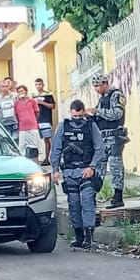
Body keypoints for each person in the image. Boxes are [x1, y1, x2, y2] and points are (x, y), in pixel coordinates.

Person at [51, 100, 104, 251]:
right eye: (75, 116)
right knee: (73, 204)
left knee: (87, 201)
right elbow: (56, 149)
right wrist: (55, 170)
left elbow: (99, 148)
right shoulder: (63, 126)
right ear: (70, 113)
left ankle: (89, 236)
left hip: (86, 170)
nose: (77, 120)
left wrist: (92, 167)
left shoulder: (90, 126)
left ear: (84, 113)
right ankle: (79, 235)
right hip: (69, 171)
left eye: (80, 116)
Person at [87, 73, 128, 209]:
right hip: (103, 137)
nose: (96, 89)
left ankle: (118, 196)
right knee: (99, 166)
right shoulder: (102, 99)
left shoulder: (116, 95)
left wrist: (98, 112)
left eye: (98, 86)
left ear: (105, 83)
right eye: (95, 86)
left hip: (115, 136)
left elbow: (117, 114)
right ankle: (92, 194)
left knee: (116, 166)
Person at [13, 84, 43, 160]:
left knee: (34, 147)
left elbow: (37, 112)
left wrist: (33, 120)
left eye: (22, 91)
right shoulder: (16, 103)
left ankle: (36, 163)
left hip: (32, 127)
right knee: (22, 148)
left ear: (26, 91)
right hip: (22, 128)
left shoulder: (32, 101)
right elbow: (16, 115)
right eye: (19, 91)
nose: (20, 92)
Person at [33, 78, 56, 166]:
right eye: (36, 84)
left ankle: (47, 158)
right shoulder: (33, 96)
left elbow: (52, 106)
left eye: (39, 84)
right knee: (36, 140)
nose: (38, 86)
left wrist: (41, 103)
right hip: (36, 120)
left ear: (43, 85)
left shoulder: (48, 95)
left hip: (46, 119)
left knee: (47, 140)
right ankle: (37, 159)